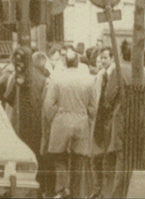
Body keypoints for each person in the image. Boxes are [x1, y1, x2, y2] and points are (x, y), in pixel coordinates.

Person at [45, 45, 96, 198]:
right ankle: (76, 193)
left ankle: (62, 189)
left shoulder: (57, 78)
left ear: (65, 62)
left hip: (61, 121)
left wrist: (53, 118)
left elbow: (49, 104)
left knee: (59, 157)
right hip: (81, 122)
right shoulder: (88, 80)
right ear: (78, 62)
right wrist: (88, 119)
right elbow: (93, 107)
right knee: (79, 160)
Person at [104, 39, 145, 198]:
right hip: (140, 121)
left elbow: (109, 96)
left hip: (122, 118)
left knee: (120, 161)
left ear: (122, 54)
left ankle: (118, 195)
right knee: (136, 161)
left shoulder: (118, 70)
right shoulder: (144, 71)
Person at [0, 45, 46, 158]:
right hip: (36, 121)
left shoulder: (14, 75)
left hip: (20, 120)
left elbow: (5, 94)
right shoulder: (41, 77)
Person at [88, 47, 113, 199]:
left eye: (105, 58)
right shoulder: (100, 75)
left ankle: (104, 190)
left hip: (107, 120)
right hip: (97, 119)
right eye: (100, 58)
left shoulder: (113, 75)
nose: (102, 61)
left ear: (111, 58)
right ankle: (97, 189)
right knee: (96, 157)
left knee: (105, 158)